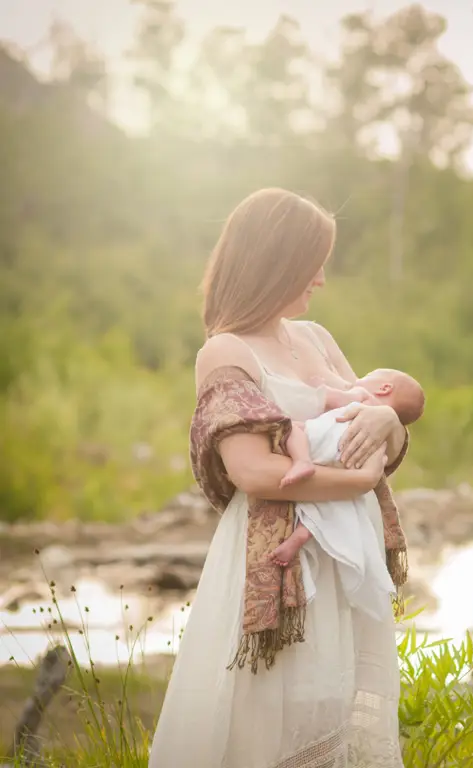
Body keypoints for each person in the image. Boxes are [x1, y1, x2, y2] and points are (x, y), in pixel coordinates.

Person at [148, 188, 411, 768]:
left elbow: (368, 425)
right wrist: (358, 482)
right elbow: (254, 472)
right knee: (268, 711)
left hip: (344, 555)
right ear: (276, 262)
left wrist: (388, 417)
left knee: (332, 700)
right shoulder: (227, 351)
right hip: (279, 560)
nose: (320, 279)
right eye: (312, 263)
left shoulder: (317, 339)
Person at [272, 369, 425, 571]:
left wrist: (320, 386)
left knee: (291, 428)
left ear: (384, 388)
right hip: (354, 458)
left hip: (332, 439)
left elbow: (332, 399)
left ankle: (302, 461)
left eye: (365, 377)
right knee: (334, 501)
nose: (357, 381)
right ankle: (304, 531)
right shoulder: (381, 432)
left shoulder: (362, 397)